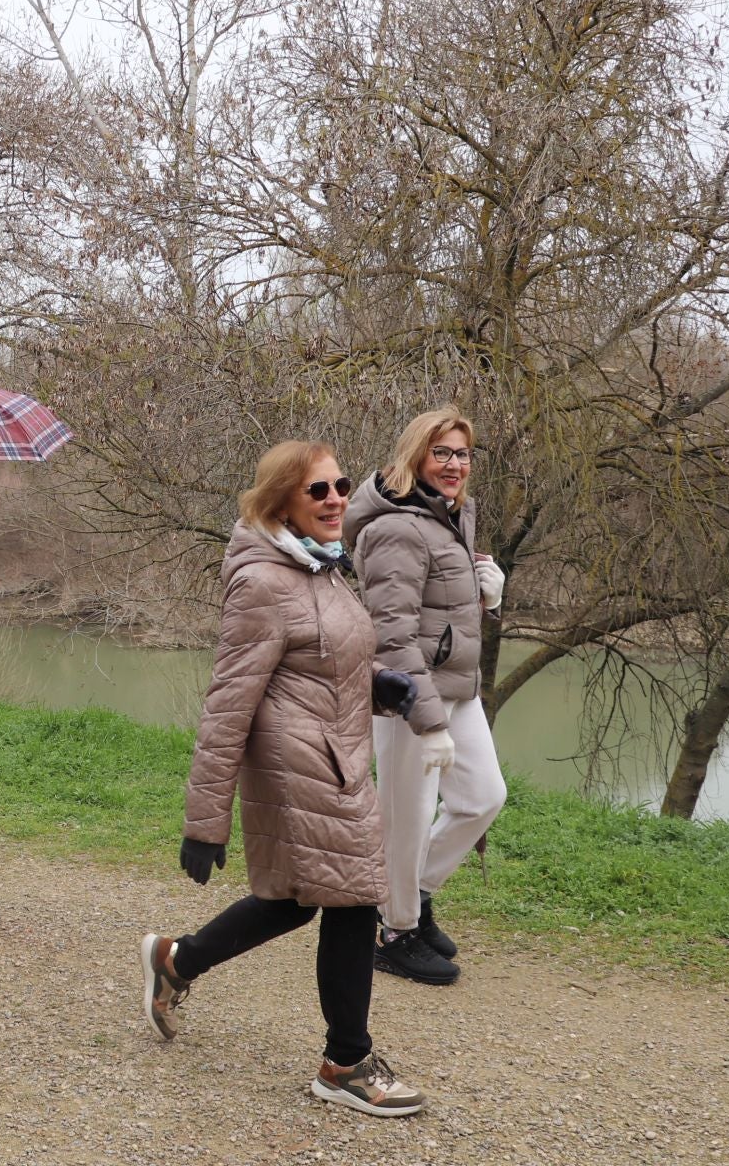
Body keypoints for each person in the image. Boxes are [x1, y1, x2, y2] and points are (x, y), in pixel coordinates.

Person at [139, 440, 429, 1118]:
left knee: (298, 900)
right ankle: (346, 1063)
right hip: (299, 767)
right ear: (283, 504)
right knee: (354, 900)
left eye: (340, 486)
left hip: (338, 759)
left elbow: (324, 665)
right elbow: (229, 701)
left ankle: (177, 961)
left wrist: (379, 686)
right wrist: (204, 822)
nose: (334, 500)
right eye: (317, 491)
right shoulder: (265, 582)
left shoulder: (320, 567)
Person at [342, 406, 508, 985]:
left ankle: (417, 894)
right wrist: (426, 718)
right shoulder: (396, 527)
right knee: (406, 817)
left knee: (483, 796)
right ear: (416, 455)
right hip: (409, 697)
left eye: (463, 453)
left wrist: (488, 595)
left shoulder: (450, 513)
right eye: (442, 452)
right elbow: (393, 634)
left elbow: (443, 608)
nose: (455, 464)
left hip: (455, 689)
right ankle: (394, 931)